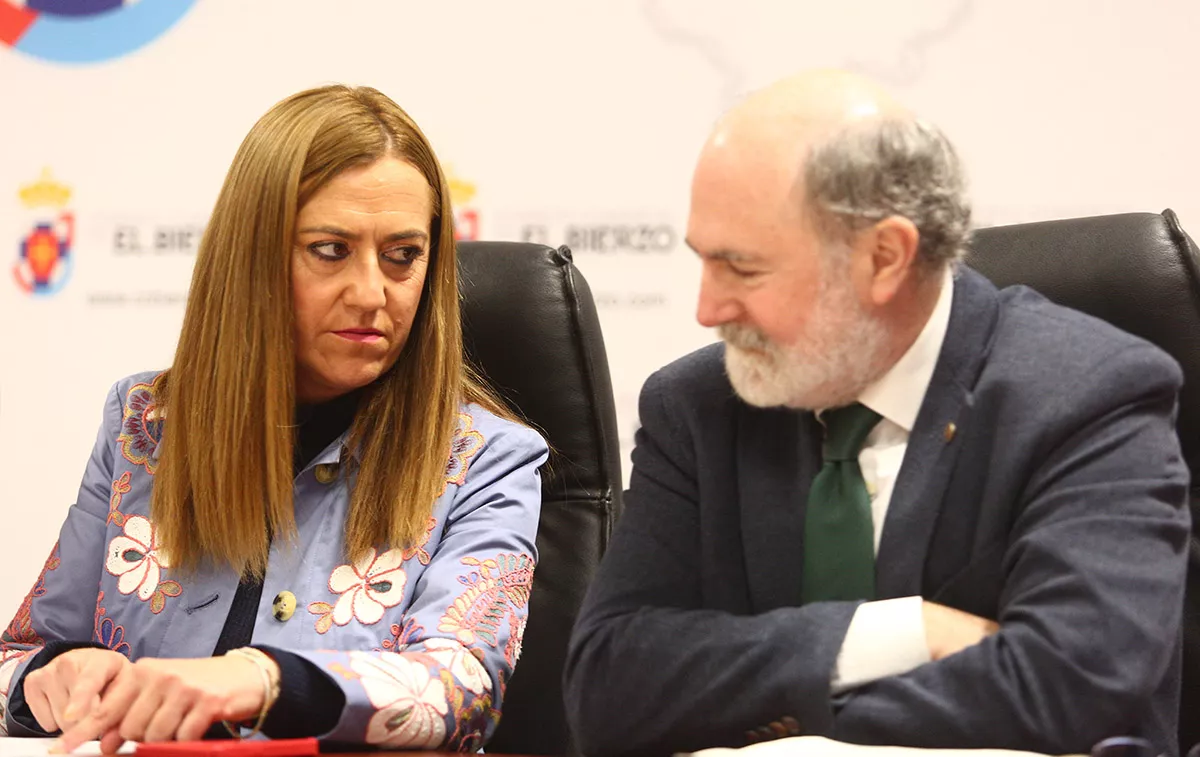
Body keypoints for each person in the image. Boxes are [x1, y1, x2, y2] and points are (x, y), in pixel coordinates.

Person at [564, 70, 1191, 756]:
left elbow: (1073, 682)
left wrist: (799, 737)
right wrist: (892, 633)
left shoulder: (1087, 392)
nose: (707, 310)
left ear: (885, 258)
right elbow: (608, 683)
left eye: (742, 269)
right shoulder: (697, 406)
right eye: (704, 263)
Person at [0, 85, 548, 753]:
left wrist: (264, 679)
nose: (373, 292)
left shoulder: (488, 457)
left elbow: (461, 687)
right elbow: (18, 655)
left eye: (403, 255)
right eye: (330, 249)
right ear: (252, 259)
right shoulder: (144, 424)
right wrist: (48, 678)